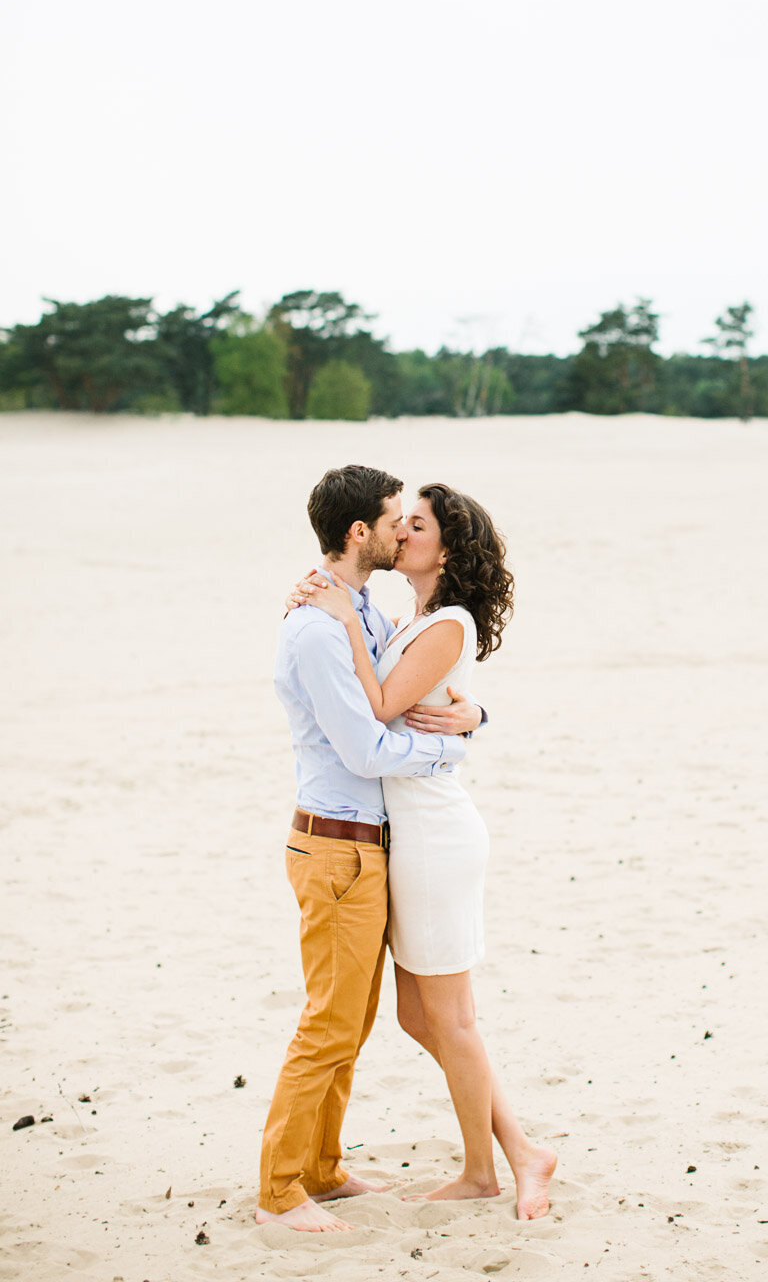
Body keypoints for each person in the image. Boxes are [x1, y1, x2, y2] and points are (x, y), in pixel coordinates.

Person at [292, 482, 557, 1220]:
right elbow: (417, 695)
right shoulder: (412, 618)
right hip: (407, 834)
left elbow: (378, 707)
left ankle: (485, 1169)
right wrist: (472, 718)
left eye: (416, 525)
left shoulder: (447, 622)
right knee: (421, 1017)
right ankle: (523, 1149)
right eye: (398, 521)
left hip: (435, 837)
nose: (401, 532)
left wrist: (342, 618)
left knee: (454, 1019)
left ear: (446, 546)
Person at [257, 464, 485, 1234]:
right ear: (361, 532)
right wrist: (447, 757)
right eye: (395, 518)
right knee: (329, 1021)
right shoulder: (321, 625)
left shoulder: (359, 611)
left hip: (367, 846)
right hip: (336, 846)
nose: (401, 529)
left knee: (349, 1024)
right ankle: (281, 1188)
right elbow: (364, 747)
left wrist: (475, 716)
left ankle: (321, 1168)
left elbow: (423, 686)